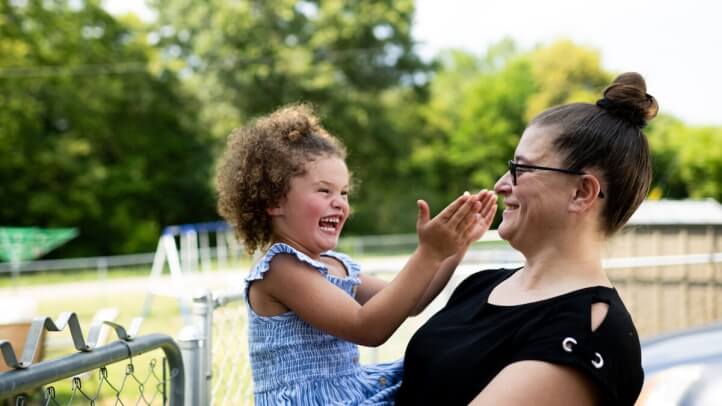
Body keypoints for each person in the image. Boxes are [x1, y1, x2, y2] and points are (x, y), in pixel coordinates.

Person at [396, 72, 658, 406]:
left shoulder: (588, 332)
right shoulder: (480, 286)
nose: (501, 184)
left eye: (521, 169)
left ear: (581, 192)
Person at [215, 104, 498, 405]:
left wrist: (455, 246)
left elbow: (412, 300)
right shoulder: (280, 269)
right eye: (324, 191)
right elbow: (368, 328)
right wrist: (428, 253)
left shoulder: (335, 265)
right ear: (274, 202)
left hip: (350, 391)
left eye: (344, 193)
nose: (339, 203)